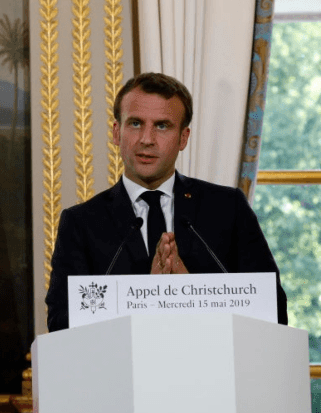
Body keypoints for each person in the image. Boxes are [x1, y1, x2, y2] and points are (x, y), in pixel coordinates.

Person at [46, 72, 286, 331]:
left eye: (162, 126)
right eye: (135, 124)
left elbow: (273, 311)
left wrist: (188, 292)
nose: (146, 139)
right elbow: (61, 324)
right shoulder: (82, 223)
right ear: (117, 132)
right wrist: (148, 297)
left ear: (183, 138)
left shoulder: (228, 208)